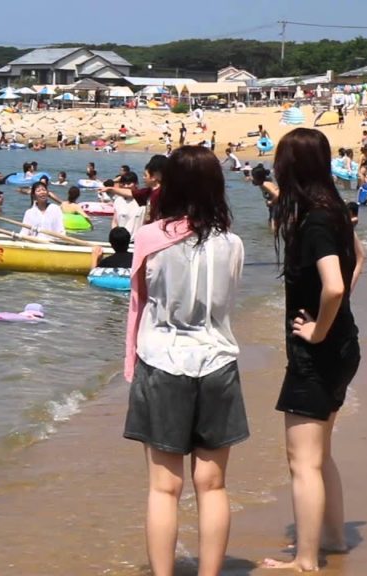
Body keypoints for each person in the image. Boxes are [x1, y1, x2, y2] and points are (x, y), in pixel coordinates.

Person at [123, 145, 248, 576]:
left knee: (164, 488)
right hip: (217, 358)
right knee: (213, 486)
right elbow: (227, 299)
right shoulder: (232, 243)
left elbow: (140, 300)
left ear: (169, 184)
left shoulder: (150, 238)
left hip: (163, 358)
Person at [262, 128, 363, 572]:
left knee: (302, 461)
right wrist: (334, 322)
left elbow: (335, 284)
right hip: (343, 347)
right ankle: (335, 539)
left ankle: (305, 559)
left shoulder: (315, 220)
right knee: (320, 455)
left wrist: (319, 330)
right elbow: (359, 258)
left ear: (292, 168)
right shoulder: (333, 209)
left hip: (319, 353)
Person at [252, 164, 280, 231]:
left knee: (273, 224)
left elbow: (278, 195)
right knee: (270, 223)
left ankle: (273, 239)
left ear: (258, 178)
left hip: (277, 205)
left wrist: (271, 202)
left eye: (253, 176)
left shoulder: (264, 184)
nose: (252, 178)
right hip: (275, 206)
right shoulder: (264, 182)